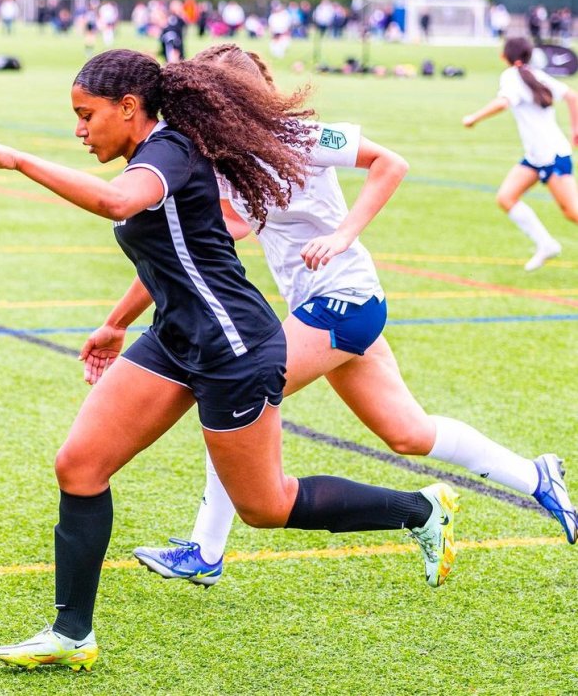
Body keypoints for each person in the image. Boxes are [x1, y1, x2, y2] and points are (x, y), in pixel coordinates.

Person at [0, 49, 460, 672]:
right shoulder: (161, 152)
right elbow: (175, 253)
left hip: (233, 348)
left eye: (87, 115)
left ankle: (419, 509)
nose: (79, 130)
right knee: (79, 465)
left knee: (264, 507)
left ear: (129, 108)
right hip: (176, 337)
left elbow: (116, 204)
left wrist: (19, 159)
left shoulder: (164, 153)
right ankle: (71, 635)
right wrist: (115, 324)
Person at [117, 45, 577, 587]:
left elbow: (390, 163)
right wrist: (121, 312)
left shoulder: (304, 137)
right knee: (408, 433)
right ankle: (535, 475)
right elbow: (208, 241)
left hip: (346, 302)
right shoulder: (227, 162)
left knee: (237, 394)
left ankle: (205, 550)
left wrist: (343, 234)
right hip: (323, 309)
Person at [463, 37, 578, 271]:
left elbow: (503, 103)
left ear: (504, 55)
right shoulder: (533, 73)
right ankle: (546, 244)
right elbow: (572, 96)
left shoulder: (512, 76)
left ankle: (546, 244)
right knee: (506, 197)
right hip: (536, 157)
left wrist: (474, 118)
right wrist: (575, 129)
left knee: (572, 212)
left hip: (552, 157)